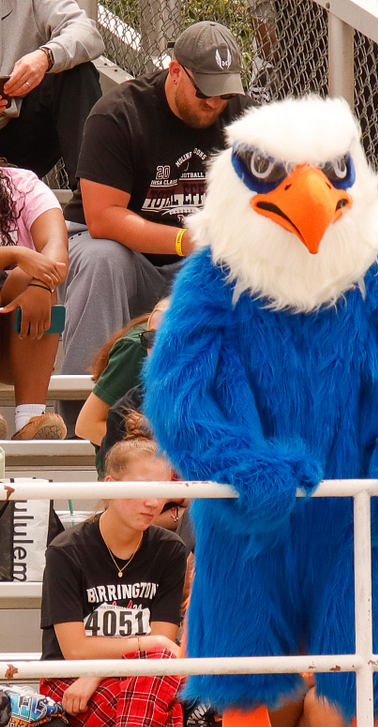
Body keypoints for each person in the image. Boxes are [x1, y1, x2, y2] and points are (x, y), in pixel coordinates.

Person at [59, 20, 254, 433]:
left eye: (224, 94)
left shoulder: (243, 118)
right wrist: (185, 240)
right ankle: (79, 416)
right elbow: (103, 216)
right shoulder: (118, 114)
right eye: (205, 92)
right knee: (103, 259)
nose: (214, 103)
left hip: (195, 264)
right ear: (175, 71)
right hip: (122, 255)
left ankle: (242, 417)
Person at [39, 421, 206, 727]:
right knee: (165, 726)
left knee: (159, 679)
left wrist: (101, 669)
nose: (154, 502)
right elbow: (75, 649)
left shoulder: (170, 550)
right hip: (70, 682)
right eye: (141, 488)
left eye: (163, 489)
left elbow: (161, 649)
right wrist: (96, 670)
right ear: (110, 486)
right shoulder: (67, 551)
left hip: (131, 679)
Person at [0, 0, 103, 188]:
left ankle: (89, 193)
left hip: (19, 136)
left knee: (76, 72)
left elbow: (86, 32)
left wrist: (46, 56)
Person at [0, 163, 68, 439]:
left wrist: (40, 283)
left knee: (32, 275)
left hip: (11, 342)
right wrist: (14, 254)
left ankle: (29, 420)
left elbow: (56, 245)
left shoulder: (22, 185)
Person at [76, 298, 168, 476]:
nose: (158, 347)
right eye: (151, 339)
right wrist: (144, 451)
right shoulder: (134, 350)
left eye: (168, 338)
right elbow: (86, 424)